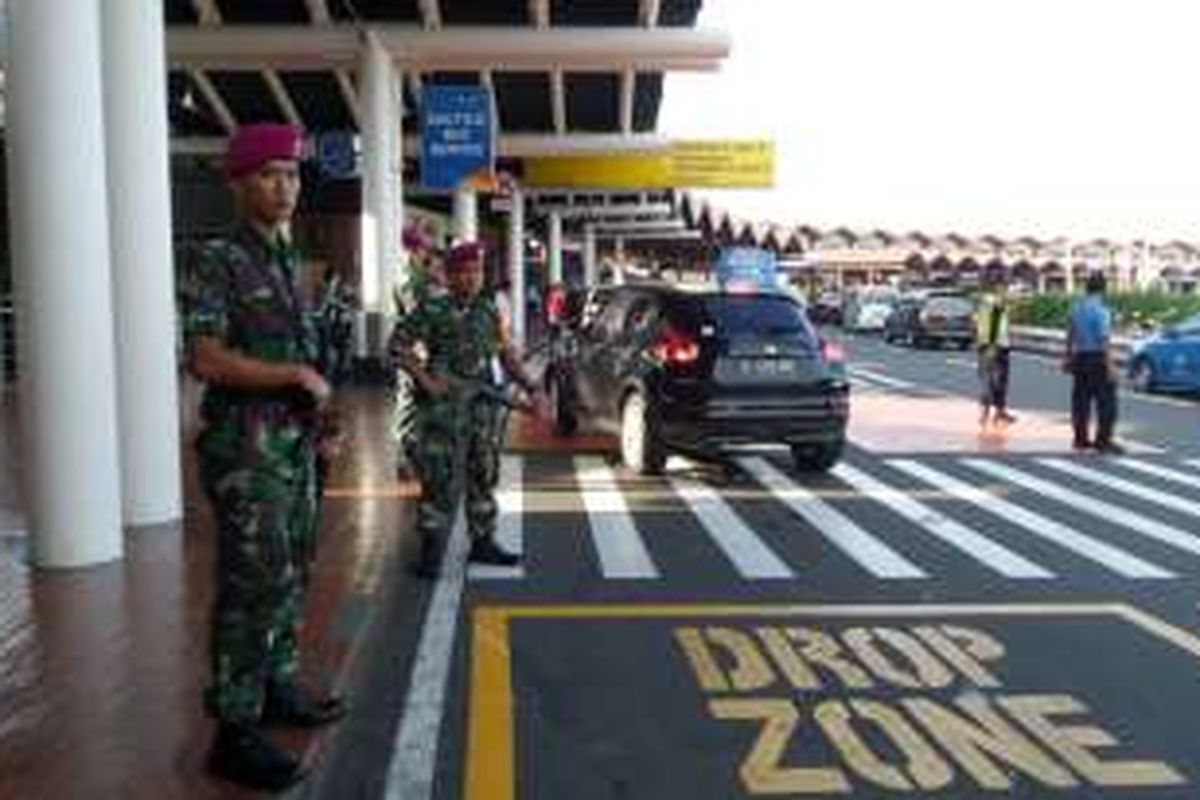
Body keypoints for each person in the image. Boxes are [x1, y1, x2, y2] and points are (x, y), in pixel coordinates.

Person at [180, 123, 344, 793]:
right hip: (246, 455)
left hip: (292, 448)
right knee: (249, 587)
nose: (286, 187)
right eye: (271, 175)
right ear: (239, 182)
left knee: (287, 574)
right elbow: (206, 356)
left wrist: (322, 420)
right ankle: (234, 732)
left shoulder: (283, 262)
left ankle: (274, 686)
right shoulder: (216, 259)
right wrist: (291, 380)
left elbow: (302, 359)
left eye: (294, 175)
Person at [389, 241, 547, 579]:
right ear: (448, 276)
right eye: (463, 272)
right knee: (438, 478)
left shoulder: (488, 311)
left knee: (483, 472)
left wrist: (533, 388)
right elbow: (397, 346)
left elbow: (506, 355)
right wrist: (425, 380)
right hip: (441, 410)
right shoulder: (431, 309)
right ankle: (431, 550)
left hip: (481, 407)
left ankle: (483, 541)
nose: (471, 278)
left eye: (476, 271)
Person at [1066, 271, 1123, 453]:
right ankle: (1103, 441)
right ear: (1103, 289)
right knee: (1107, 403)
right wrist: (1111, 366)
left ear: (1087, 288)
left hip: (1080, 358)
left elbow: (1070, 334)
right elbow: (1104, 340)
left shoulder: (1076, 308)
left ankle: (1080, 439)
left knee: (1080, 402)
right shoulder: (1102, 311)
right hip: (1098, 358)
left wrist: (1067, 357)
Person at [975, 270, 1016, 428]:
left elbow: (979, 323)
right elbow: (994, 323)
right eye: (1004, 285)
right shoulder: (996, 302)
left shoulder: (983, 302)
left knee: (988, 380)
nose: (1006, 289)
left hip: (986, 345)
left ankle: (989, 413)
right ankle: (995, 413)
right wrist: (992, 344)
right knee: (997, 381)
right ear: (998, 286)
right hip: (996, 346)